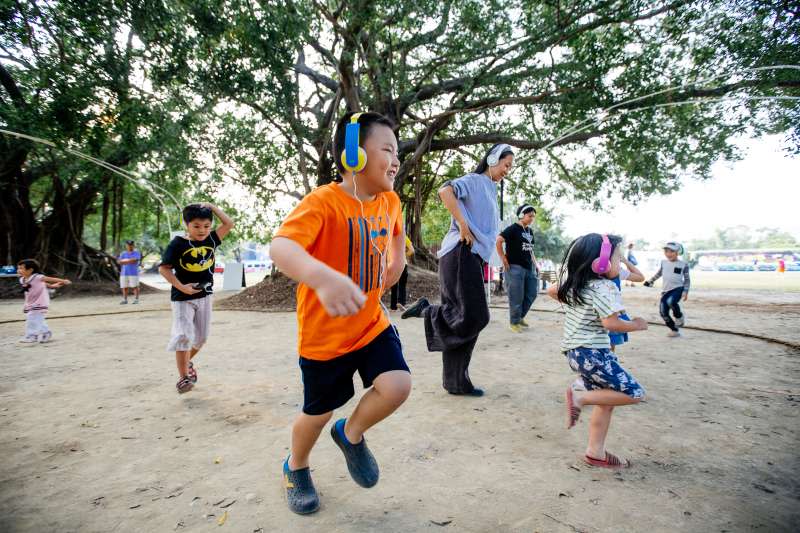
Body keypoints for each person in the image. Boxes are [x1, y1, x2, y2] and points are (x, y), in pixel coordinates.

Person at [270, 111, 411, 515]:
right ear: (354, 154)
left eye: (397, 151)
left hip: (369, 325)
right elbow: (282, 247)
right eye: (387, 149)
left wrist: (397, 261)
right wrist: (322, 277)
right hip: (324, 338)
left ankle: (350, 435)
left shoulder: (390, 200)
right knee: (317, 414)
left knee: (397, 385)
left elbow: (397, 232)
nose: (396, 159)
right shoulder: (323, 202)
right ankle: (295, 467)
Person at [402, 143, 514, 397]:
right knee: (475, 316)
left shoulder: (490, 191)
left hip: (471, 257)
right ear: (493, 159)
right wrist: (463, 225)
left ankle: (456, 381)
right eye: (506, 164)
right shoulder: (475, 180)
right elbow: (445, 191)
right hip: (461, 251)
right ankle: (429, 311)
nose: (507, 170)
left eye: (510, 167)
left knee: (466, 318)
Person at [547, 233, 648, 468]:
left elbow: (552, 290)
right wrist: (637, 325)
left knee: (607, 400)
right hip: (593, 353)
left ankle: (596, 452)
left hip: (576, 354)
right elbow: (611, 324)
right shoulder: (605, 287)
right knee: (635, 393)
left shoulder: (578, 285)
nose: (618, 261)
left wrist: (574, 299)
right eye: (616, 257)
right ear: (600, 263)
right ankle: (580, 396)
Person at [159, 202, 234, 394]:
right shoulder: (178, 244)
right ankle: (184, 378)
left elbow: (228, 224)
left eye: (206, 226)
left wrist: (213, 207)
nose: (202, 230)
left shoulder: (211, 239)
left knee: (201, 338)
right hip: (182, 298)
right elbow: (164, 268)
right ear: (186, 224)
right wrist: (181, 286)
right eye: (197, 226)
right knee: (183, 335)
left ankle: (187, 361)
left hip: (205, 296)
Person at [496, 204, 538, 333]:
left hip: (528, 267)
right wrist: (503, 258)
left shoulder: (529, 231)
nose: (532, 218)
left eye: (533, 217)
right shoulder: (513, 229)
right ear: (521, 215)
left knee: (532, 293)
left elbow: (530, 249)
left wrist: (535, 264)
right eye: (529, 216)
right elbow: (498, 240)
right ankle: (514, 322)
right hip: (514, 267)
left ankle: (519, 317)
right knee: (516, 296)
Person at [16, 259, 71, 343]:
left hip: (40, 301)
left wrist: (63, 281)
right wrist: (52, 286)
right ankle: (46, 333)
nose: (18, 270)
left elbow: (51, 279)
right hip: (30, 302)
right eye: (18, 268)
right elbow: (42, 284)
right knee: (37, 319)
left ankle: (32, 336)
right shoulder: (22, 279)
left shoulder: (38, 277)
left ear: (30, 270)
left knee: (32, 318)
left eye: (21, 268)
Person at [644, 242, 690, 337]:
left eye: (671, 251)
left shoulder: (683, 264)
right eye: (666, 251)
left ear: (677, 252)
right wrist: (650, 281)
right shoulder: (663, 262)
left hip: (678, 288)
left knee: (671, 302)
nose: (668, 253)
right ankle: (674, 329)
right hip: (666, 291)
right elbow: (659, 273)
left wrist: (685, 291)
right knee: (663, 312)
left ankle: (679, 316)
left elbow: (687, 279)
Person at [608, 253, 645, 352]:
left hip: (614, 315)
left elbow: (640, 277)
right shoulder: (593, 274)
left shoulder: (617, 272)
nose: (619, 260)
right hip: (602, 316)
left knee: (610, 348)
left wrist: (625, 261)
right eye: (617, 257)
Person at [390, 235, 414, 310]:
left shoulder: (389, 236)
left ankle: (393, 306)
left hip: (392, 263)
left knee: (393, 284)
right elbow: (412, 250)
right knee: (402, 284)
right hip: (403, 263)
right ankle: (401, 303)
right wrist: (403, 255)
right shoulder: (404, 237)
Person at [118, 240, 141, 304]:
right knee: (124, 287)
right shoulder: (123, 253)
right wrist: (130, 260)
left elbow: (135, 260)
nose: (130, 246)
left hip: (133, 273)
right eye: (128, 245)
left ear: (133, 246)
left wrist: (124, 261)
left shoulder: (137, 253)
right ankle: (125, 300)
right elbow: (119, 262)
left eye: (131, 245)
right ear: (126, 246)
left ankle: (136, 299)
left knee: (135, 286)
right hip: (124, 273)